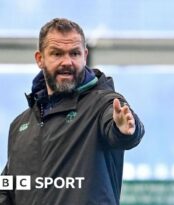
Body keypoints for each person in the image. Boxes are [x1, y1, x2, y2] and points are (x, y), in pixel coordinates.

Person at [0, 18, 144, 205]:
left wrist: (125, 130)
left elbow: (121, 127)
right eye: (57, 54)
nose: (67, 62)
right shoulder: (20, 125)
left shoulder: (103, 103)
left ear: (85, 56)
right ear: (40, 59)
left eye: (74, 53)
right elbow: (9, 186)